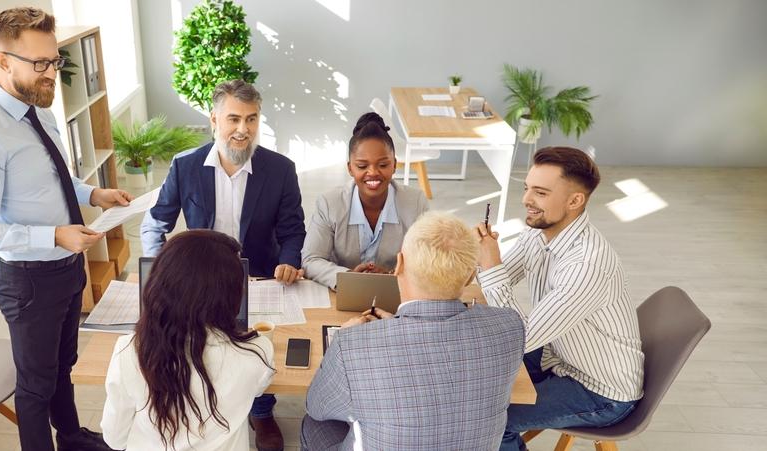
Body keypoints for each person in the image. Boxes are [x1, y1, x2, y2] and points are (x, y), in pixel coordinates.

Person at [0, 7, 130, 451]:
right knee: (34, 386)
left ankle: (69, 436)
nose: (51, 73)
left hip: (67, 266)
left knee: (63, 363)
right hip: (28, 281)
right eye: (40, 63)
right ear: (3, 61)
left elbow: (51, 180)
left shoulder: (38, 107)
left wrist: (92, 196)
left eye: (55, 60)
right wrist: (52, 236)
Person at [139, 79, 305, 449]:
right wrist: (154, 268)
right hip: (202, 279)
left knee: (255, 344)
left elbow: (293, 229)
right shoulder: (185, 167)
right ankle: (206, 402)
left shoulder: (281, 170)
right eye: (233, 119)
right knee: (205, 346)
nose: (243, 129)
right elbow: (156, 222)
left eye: (251, 119)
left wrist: (290, 261)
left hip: (259, 275)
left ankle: (262, 411)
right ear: (214, 120)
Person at [302, 212, 525, 450]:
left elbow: (317, 406)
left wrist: (345, 338)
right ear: (471, 275)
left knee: (313, 422)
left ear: (399, 264)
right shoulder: (510, 326)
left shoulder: (352, 343)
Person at [474, 147, 644, 451]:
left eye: (540, 192)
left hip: (599, 391)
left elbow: (520, 337)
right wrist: (481, 259)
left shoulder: (586, 266)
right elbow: (498, 277)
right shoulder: (539, 232)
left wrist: (489, 265)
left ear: (575, 201)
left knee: (490, 419)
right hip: (557, 355)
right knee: (471, 374)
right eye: (527, 188)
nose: (526, 200)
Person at [100, 230, 274, 450]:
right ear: (231, 296)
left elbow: (114, 438)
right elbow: (258, 388)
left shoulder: (129, 351)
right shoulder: (257, 351)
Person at [301, 112, 429, 289]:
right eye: (362, 166)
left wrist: (392, 275)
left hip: (396, 295)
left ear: (394, 165)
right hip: (342, 294)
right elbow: (311, 259)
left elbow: (428, 261)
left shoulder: (416, 203)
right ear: (350, 168)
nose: (373, 172)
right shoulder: (329, 203)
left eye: (383, 165)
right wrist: (348, 277)